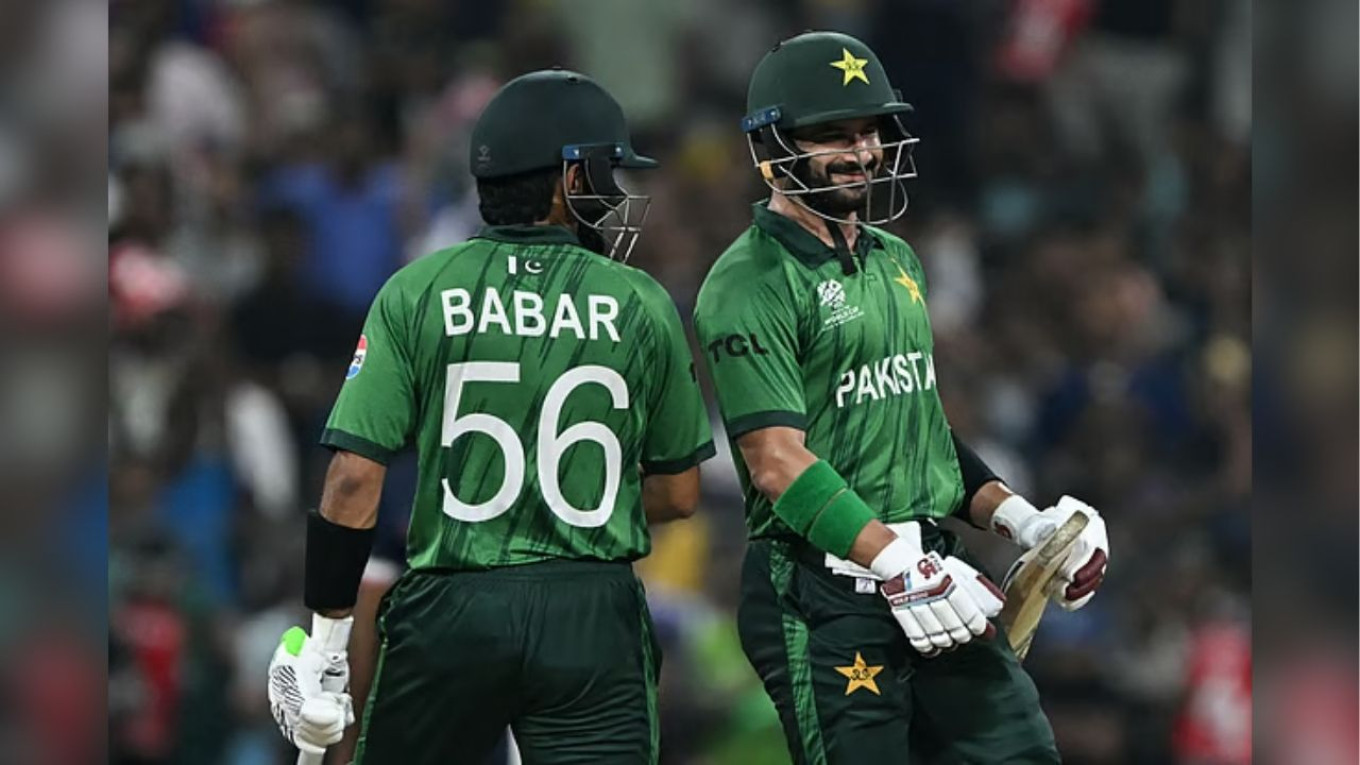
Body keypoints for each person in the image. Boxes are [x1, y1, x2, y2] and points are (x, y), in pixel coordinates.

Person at [266, 69, 716, 764]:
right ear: (569, 180)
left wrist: (327, 641)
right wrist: (566, 503)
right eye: (606, 173)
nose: (615, 194)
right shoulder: (642, 301)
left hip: (454, 598)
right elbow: (679, 493)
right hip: (591, 610)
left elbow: (352, 479)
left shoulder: (416, 289)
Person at [693, 31, 1110, 763]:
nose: (862, 151)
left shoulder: (897, 261)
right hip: (818, 589)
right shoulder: (747, 282)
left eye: (871, 130)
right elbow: (776, 462)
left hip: (929, 567)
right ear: (772, 147)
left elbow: (918, 430)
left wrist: (1024, 521)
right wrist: (895, 563)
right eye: (833, 134)